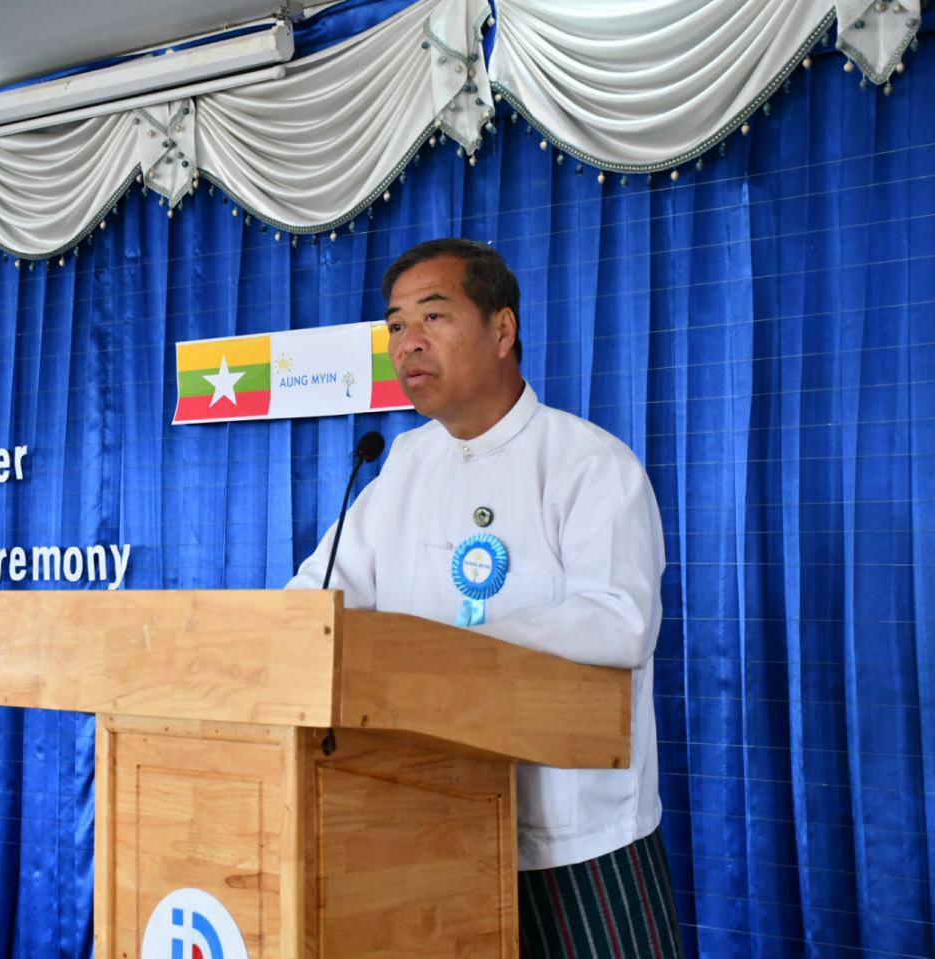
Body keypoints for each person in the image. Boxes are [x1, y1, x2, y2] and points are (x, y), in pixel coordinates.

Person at [286, 238, 683, 957]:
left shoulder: (589, 465)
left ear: (502, 330)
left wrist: (447, 651)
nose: (408, 343)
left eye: (432, 317)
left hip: (572, 838)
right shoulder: (402, 466)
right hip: (430, 824)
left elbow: (619, 622)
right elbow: (314, 598)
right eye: (395, 325)